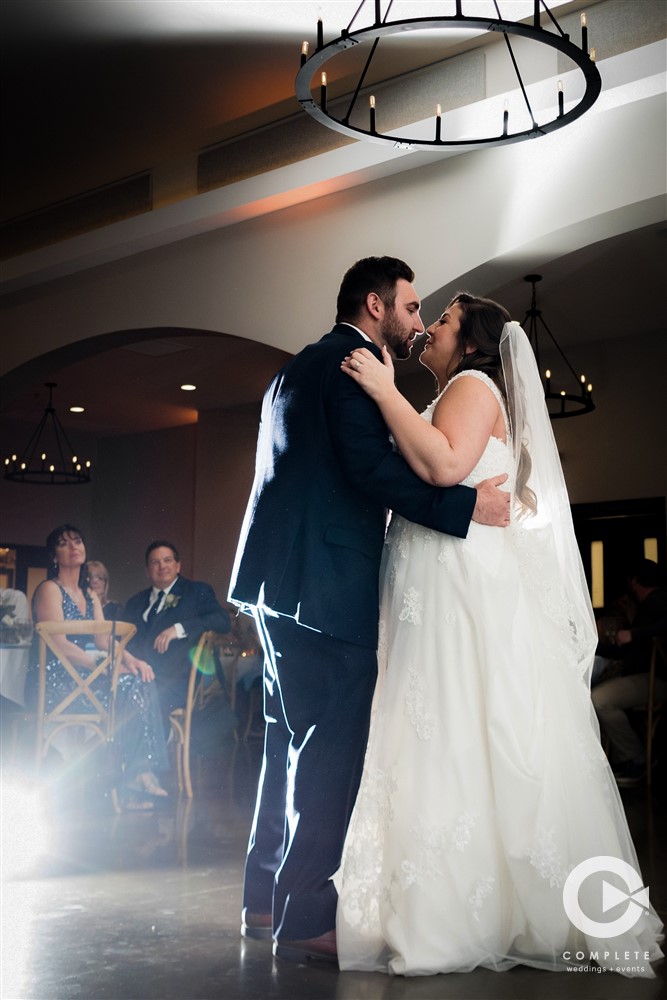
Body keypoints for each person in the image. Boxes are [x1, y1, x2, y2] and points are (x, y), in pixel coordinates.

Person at [334, 293, 664, 977]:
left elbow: (444, 468)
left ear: (473, 341)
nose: (429, 326)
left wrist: (386, 392)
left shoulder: (471, 384)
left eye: (444, 320)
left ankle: (452, 919)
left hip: (455, 583)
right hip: (439, 575)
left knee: (453, 722)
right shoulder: (461, 386)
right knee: (443, 724)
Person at [227, 258, 511, 963]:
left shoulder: (293, 368)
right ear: (376, 304)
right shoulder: (355, 362)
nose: (418, 323)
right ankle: (303, 919)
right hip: (326, 588)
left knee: (285, 745)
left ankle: (261, 899)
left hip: (272, 584)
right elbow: (369, 469)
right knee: (327, 754)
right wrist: (465, 504)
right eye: (413, 308)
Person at [27, 525, 169, 800]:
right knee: (127, 684)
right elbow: (59, 644)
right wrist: (103, 668)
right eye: (64, 543)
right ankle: (138, 773)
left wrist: (132, 660)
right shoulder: (49, 589)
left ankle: (142, 770)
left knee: (140, 677)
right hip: (59, 680)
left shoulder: (90, 595)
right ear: (54, 556)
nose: (73, 547)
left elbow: (104, 641)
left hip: (86, 675)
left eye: (77, 541)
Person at [123, 541, 231, 724]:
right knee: (112, 696)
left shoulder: (196, 592)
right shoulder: (135, 602)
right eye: (155, 562)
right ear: (147, 570)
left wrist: (180, 628)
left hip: (174, 681)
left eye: (167, 560)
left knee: (139, 701)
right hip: (136, 675)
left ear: (178, 565)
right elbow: (124, 640)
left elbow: (223, 620)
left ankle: (151, 752)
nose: (162, 566)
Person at [592, 559, 667, 785]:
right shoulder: (645, 607)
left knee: (599, 700)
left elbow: (631, 646)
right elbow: (623, 652)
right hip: (644, 678)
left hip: (655, 681)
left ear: (635, 581)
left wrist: (634, 634)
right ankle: (623, 759)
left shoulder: (659, 601)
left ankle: (637, 759)